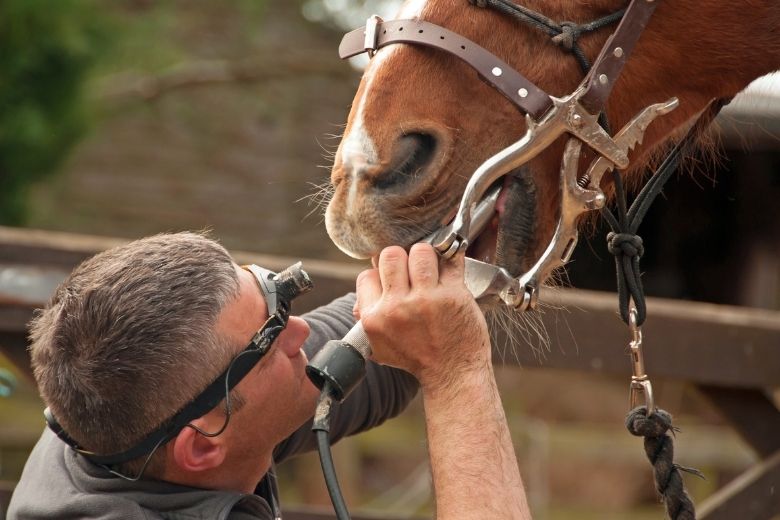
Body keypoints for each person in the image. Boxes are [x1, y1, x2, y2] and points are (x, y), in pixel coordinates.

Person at [8, 232, 531, 519]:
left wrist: (470, 224)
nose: (302, 331)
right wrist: (459, 373)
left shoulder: (132, 427)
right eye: (269, 340)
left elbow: (388, 348)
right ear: (203, 444)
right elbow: (440, 356)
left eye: (277, 302)